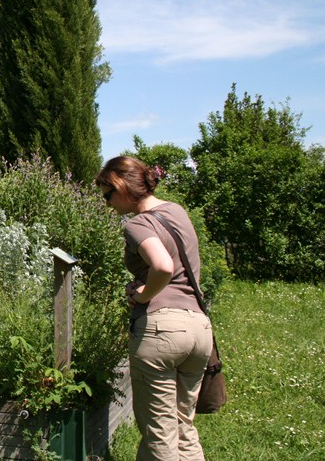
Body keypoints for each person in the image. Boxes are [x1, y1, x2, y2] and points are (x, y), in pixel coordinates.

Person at [96, 156, 212, 461]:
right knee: (183, 426)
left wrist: (144, 295)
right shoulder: (177, 211)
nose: (108, 204)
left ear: (122, 188)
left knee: (159, 433)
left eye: (108, 195)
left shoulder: (138, 224)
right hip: (198, 329)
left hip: (161, 332)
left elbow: (162, 266)